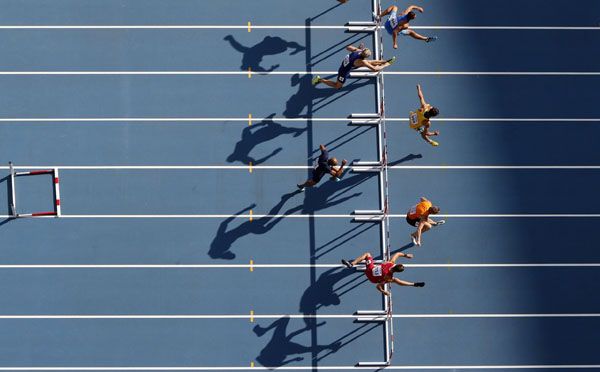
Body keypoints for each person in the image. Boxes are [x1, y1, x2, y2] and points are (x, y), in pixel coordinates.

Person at [312, 44, 395, 90]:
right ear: (365, 56)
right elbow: (374, 69)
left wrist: (358, 48)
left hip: (346, 65)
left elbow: (348, 47)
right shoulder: (362, 61)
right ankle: (319, 79)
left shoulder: (357, 51)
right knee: (338, 86)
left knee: (371, 62)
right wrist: (387, 65)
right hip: (343, 72)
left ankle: (386, 60)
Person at [342, 252, 424, 296]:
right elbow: (377, 286)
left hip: (369, 269)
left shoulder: (390, 263)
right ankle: (413, 284)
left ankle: (352, 264)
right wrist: (383, 291)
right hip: (371, 278)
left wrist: (406, 255)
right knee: (395, 280)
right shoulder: (389, 277)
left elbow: (398, 254)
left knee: (367, 254)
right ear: (396, 272)